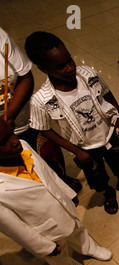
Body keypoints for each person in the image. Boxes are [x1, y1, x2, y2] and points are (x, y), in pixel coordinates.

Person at [24, 31, 119, 215]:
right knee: (97, 177)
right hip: (85, 148)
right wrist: (76, 151)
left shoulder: (88, 74)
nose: (70, 68)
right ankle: (108, 192)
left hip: (109, 134)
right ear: (44, 69)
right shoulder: (42, 100)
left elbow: (107, 92)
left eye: (70, 60)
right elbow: (44, 129)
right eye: (61, 66)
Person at [0, 118, 112, 265]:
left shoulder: (24, 146)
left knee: (77, 228)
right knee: (58, 257)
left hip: (62, 206)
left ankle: (87, 247)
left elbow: (48, 173)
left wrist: (67, 193)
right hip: (43, 229)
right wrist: (43, 247)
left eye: (11, 133)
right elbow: (15, 228)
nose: (14, 141)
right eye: (3, 142)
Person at [0, 28, 81, 193]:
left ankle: (60, 181)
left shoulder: (1, 37)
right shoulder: (43, 97)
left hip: (23, 120)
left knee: (48, 157)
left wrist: (9, 118)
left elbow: (25, 77)